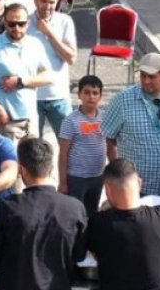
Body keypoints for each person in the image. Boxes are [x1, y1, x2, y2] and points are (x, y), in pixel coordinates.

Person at [0, 138, 88, 290]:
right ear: (51, 167)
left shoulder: (7, 207)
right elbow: (79, 255)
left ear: (22, 169)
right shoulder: (75, 208)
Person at [102, 53, 160, 199]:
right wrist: (118, 175)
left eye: (151, 77)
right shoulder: (123, 100)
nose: (146, 81)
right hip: (134, 192)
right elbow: (108, 138)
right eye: (143, 76)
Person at [76, 158, 160, 290]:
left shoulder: (99, 222)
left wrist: (107, 210)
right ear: (140, 184)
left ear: (107, 191)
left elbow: (93, 254)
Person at [0, 4, 55, 145]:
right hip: (4, 122)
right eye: (11, 24)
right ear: (4, 22)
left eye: (21, 24)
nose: (16, 28)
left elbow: (49, 76)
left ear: (27, 23)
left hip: (31, 120)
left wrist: (21, 81)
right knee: (7, 166)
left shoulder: (35, 45)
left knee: (31, 165)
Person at [29, 0, 77, 140]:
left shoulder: (65, 22)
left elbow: (70, 58)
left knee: (69, 147)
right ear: (35, 0)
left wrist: (50, 33)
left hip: (59, 96)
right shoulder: (24, 23)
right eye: (43, 1)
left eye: (52, 2)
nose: (48, 6)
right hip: (32, 97)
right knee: (33, 150)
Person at [57, 75, 109, 215]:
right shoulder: (70, 121)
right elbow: (63, 153)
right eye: (86, 92)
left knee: (92, 213)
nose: (91, 97)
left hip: (98, 176)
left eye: (95, 93)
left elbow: (110, 146)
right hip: (76, 178)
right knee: (74, 214)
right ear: (79, 94)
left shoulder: (105, 117)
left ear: (100, 96)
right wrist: (63, 182)